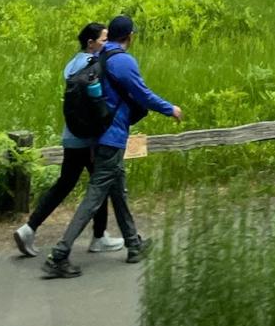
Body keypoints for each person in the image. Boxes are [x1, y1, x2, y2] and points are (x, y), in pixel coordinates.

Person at [41, 14, 182, 279]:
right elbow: (143, 94)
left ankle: (133, 244)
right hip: (112, 137)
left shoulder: (99, 56)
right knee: (94, 197)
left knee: (118, 190)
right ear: (129, 36)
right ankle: (59, 254)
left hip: (99, 135)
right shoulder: (123, 61)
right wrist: (170, 109)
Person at [13, 21, 122, 258]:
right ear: (91, 43)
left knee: (65, 183)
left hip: (71, 135)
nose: (107, 44)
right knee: (99, 185)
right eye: (104, 40)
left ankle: (29, 228)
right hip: (89, 138)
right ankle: (99, 236)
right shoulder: (93, 65)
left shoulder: (73, 64)